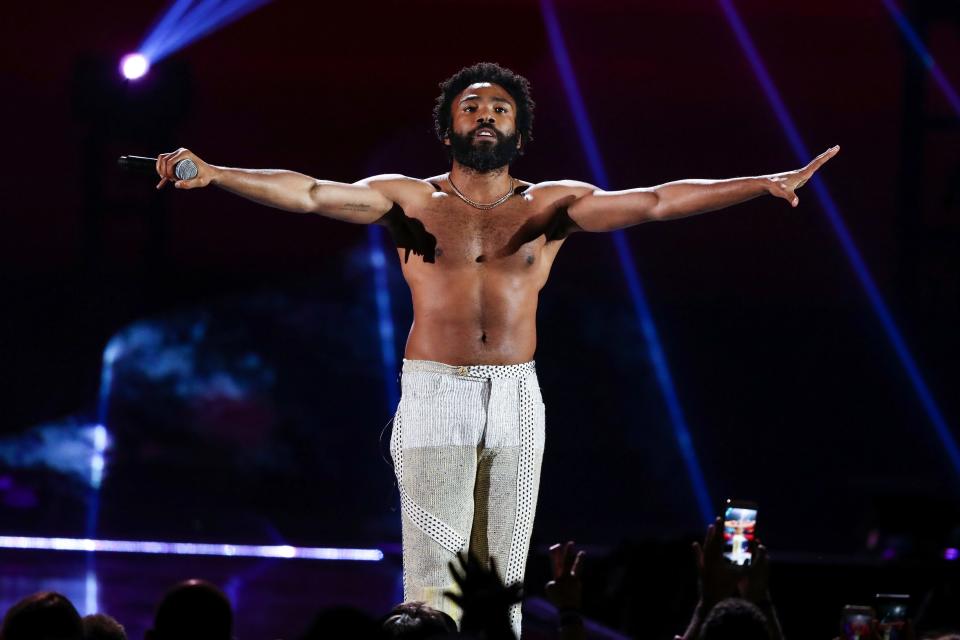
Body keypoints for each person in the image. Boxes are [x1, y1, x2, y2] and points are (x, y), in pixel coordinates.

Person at [155, 61, 838, 637]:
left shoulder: (553, 205)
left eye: (500, 107)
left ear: (520, 128)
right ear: (449, 124)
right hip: (433, 392)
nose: (486, 115)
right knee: (432, 585)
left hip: (516, 396)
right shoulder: (407, 200)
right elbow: (307, 192)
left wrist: (760, 183)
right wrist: (216, 173)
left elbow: (656, 202)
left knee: (501, 584)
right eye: (472, 105)